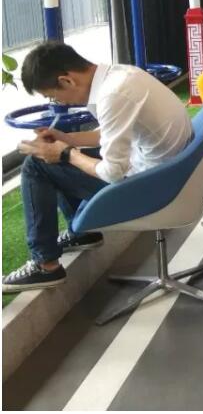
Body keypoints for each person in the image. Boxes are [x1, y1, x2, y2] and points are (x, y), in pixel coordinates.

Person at [2, 44, 192, 292]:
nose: (59, 102)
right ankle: (82, 233)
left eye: (54, 97)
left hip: (151, 188)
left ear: (67, 81)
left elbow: (112, 172)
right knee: (54, 157)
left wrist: (65, 153)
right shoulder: (123, 75)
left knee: (36, 165)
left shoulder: (113, 95)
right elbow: (113, 133)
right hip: (166, 172)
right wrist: (67, 139)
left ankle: (45, 265)